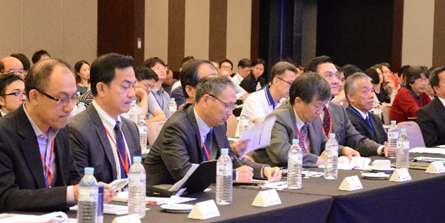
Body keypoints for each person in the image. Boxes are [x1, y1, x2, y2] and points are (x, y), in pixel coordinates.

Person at [0, 59, 82, 215]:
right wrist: (71, 194)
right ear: (34, 96)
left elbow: (72, 179)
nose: (69, 107)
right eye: (61, 99)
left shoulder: (61, 129)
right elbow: (5, 198)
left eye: (73, 98)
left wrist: (88, 189)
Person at [144, 75, 282, 186]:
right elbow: (184, 173)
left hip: (201, 193)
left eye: (233, 106)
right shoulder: (177, 127)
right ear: (206, 100)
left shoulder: (218, 124)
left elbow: (230, 161)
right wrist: (233, 175)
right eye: (227, 106)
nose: (230, 113)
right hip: (163, 197)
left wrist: (263, 170)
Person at [253, 72, 359, 166]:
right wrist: (318, 160)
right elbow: (284, 154)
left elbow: (324, 145)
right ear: (298, 101)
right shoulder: (277, 119)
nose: (319, 111)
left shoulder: (312, 118)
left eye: (323, 106)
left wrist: (343, 150)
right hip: (277, 179)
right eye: (317, 106)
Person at [69, 53, 141, 183]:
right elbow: (80, 186)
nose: (131, 94)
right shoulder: (78, 130)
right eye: (125, 87)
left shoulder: (131, 129)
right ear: (101, 89)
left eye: (133, 86)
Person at [305, 56, 385, 157]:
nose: (336, 81)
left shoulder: (338, 110)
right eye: (329, 76)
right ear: (312, 79)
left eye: (337, 76)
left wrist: (380, 149)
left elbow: (355, 139)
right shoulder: (304, 109)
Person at [345, 73, 387, 144]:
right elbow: (360, 145)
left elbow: (386, 141)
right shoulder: (347, 119)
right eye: (365, 91)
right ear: (351, 97)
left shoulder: (375, 118)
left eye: (372, 91)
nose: (371, 96)